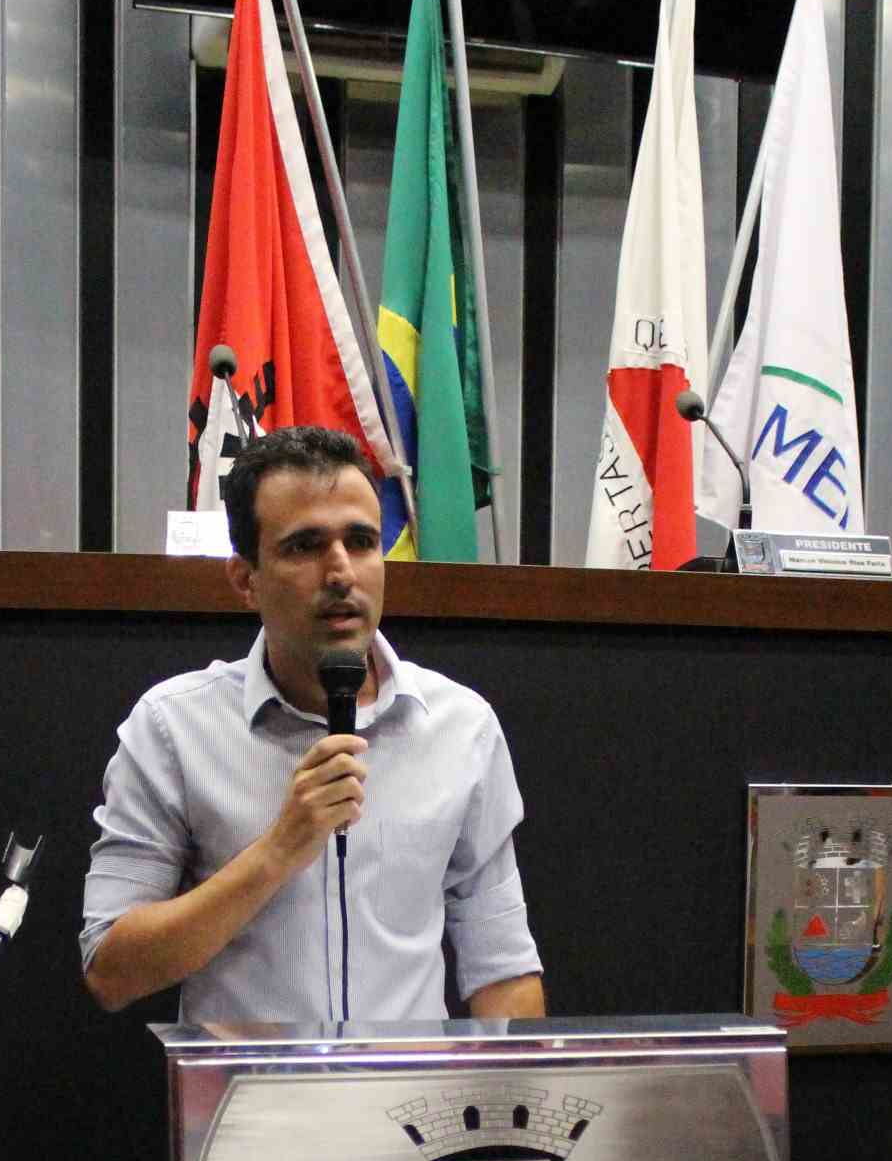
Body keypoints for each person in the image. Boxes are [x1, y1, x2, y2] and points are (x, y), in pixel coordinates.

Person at [81, 425, 544, 1028]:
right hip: (246, 1089)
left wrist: (515, 1089)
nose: (341, 571)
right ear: (245, 580)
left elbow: (503, 970)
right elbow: (112, 971)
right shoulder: (172, 728)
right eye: (305, 546)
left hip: (408, 1090)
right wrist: (279, 850)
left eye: (362, 541)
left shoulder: (461, 727)